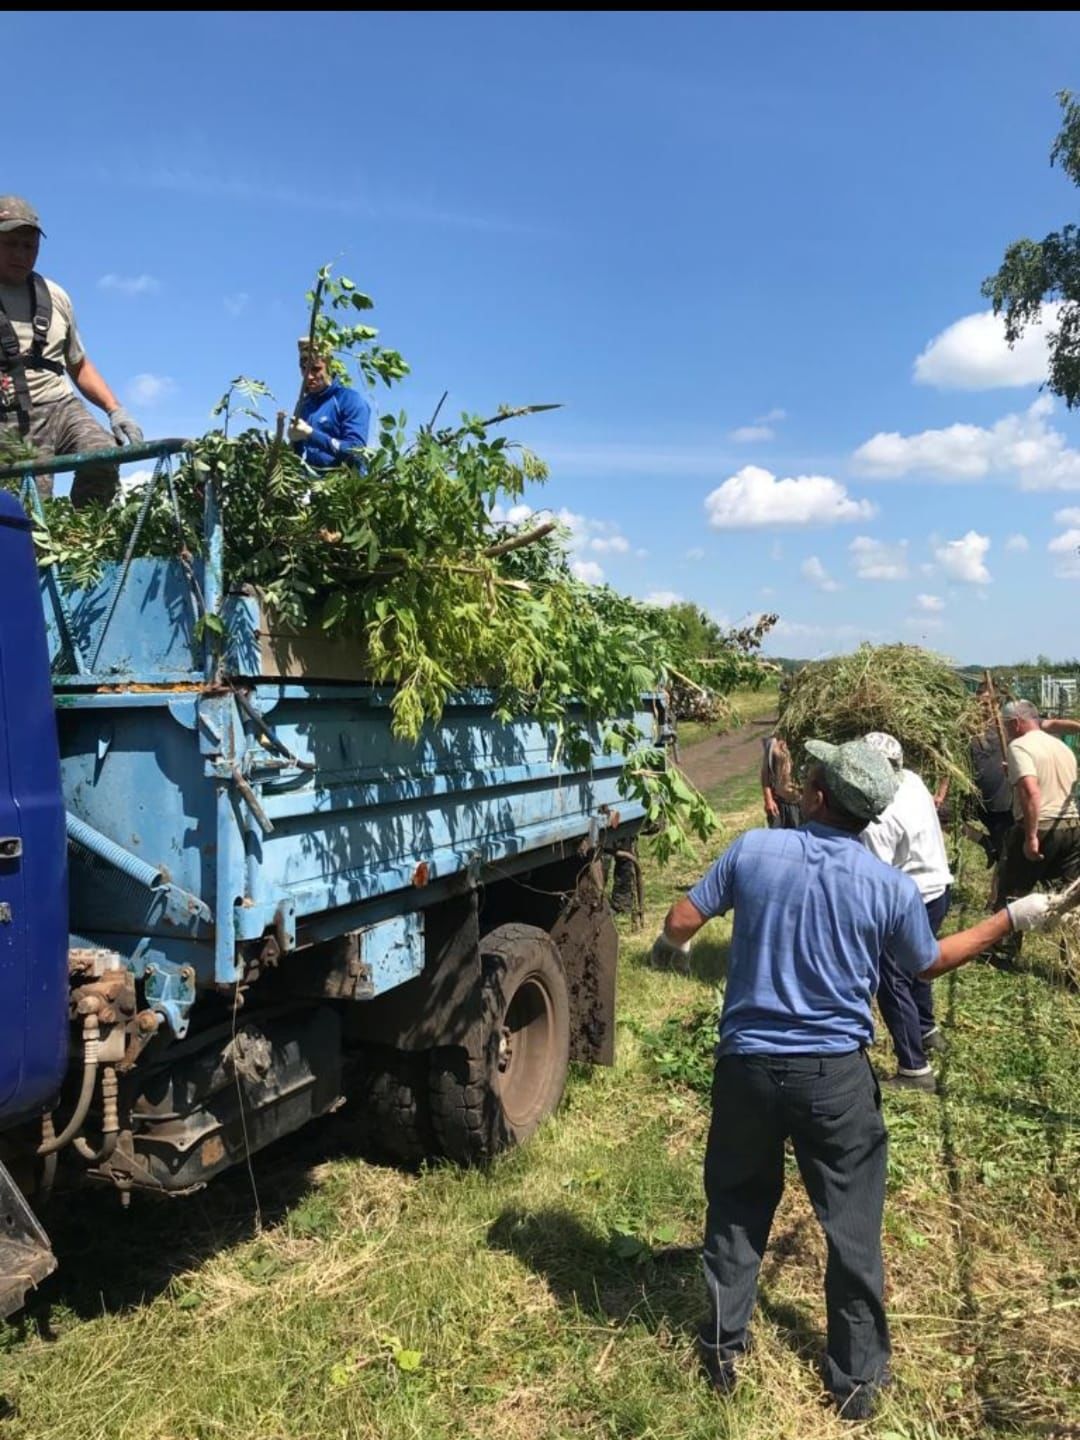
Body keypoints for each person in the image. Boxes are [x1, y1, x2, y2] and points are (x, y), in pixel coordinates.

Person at [651, 737, 1051, 1420]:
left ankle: (721, 1350)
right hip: (834, 1079)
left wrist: (672, 954)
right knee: (852, 1227)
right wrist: (1009, 917)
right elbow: (926, 963)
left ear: (816, 796)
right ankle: (857, 1385)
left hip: (745, 1066)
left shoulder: (752, 852)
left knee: (739, 1206)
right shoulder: (888, 889)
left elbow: (682, 920)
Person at [0, 196, 142, 507]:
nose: (20, 254)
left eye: (29, 246)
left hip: (59, 407)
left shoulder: (55, 295)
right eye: (11, 244)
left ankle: (82, 538)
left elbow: (77, 363)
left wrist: (115, 409)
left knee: (101, 454)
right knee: (27, 511)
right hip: (7, 419)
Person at [860, 732, 952, 1091]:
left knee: (892, 979)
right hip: (939, 888)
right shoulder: (912, 780)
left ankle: (915, 1069)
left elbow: (878, 879)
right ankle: (928, 1029)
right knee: (921, 966)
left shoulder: (877, 818)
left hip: (908, 899)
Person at [998, 699, 1080, 904]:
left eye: (1006, 725)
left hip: (1041, 826)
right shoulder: (1060, 747)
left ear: (1016, 723)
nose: (1006, 731)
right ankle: (1069, 934)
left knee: (1012, 895)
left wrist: (1031, 836)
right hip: (1072, 827)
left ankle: (1009, 935)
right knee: (1067, 897)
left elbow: (1031, 791)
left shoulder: (1019, 746)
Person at [288, 338, 371, 469]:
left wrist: (310, 434)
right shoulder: (303, 404)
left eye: (316, 369)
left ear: (329, 367)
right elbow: (295, 455)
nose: (308, 376)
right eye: (304, 369)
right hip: (312, 485)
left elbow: (357, 453)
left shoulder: (349, 399)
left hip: (345, 485)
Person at [760, 732, 800, 829]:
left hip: (803, 802)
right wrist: (768, 799)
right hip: (781, 802)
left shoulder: (805, 738)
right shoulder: (773, 743)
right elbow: (765, 774)